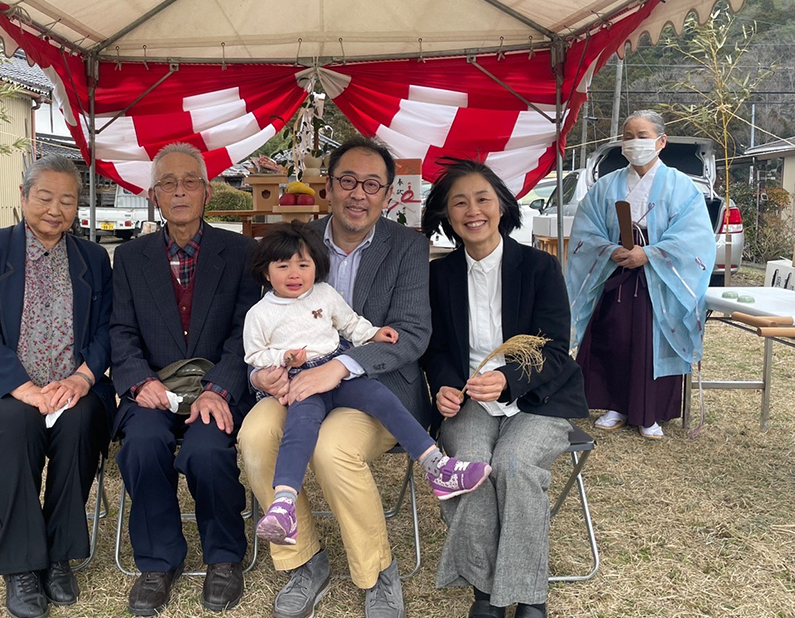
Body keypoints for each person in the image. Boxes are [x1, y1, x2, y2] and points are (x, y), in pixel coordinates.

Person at [238, 137, 432, 618]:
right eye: (348, 180)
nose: (358, 194)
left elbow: (411, 333)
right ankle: (304, 559)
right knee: (256, 436)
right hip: (296, 382)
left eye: (372, 184)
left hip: (375, 388)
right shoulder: (293, 242)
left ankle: (376, 571)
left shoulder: (408, 246)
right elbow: (263, 325)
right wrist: (262, 377)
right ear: (329, 185)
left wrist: (339, 366)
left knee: (333, 448)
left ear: (388, 193)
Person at [0, 154, 115, 618]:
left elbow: (106, 332)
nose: (55, 209)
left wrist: (81, 377)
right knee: (17, 423)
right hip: (0, 389)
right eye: (44, 197)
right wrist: (24, 388)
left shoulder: (94, 259)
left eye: (67, 200)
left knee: (81, 420)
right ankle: (22, 566)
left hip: (72, 386)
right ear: (22, 197)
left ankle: (58, 556)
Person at [245, 222, 491, 546]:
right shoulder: (260, 313)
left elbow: (348, 322)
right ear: (266, 272)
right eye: (283, 265)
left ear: (316, 267)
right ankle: (284, 504)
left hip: (337, 368)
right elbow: (255, 354)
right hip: (301, 381)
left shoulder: (323, 293)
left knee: (381, 396)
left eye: (303, 265)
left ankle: (438, 467)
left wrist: (372, 333)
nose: (295, 273)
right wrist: (282, 357)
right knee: (299, 428)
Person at [421, 159, 588, 618]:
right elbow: (434, 350)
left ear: (502, 207)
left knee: (513, 465)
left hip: (539, 397)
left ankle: (529, 595)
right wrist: (445, 386)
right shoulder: (440, 275)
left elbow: (555, 348)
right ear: (447, 216)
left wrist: (509, 379)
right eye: (459, 202)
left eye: (482, 199)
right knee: (471, 466)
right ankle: (485, 588)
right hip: (470, 400)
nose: (472, 210)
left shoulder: (539, 267)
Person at [109, 142, 261, 616]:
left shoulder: (240, 252)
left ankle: (223, 556)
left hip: (217, 387)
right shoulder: (130, 258)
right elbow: (120, 329)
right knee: (142, 447)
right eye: (168, 183)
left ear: (207, 191)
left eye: (189, 181)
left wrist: (219, 388)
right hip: (152, 388)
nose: (179, 191)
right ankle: (158, 561)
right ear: (154, 195)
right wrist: (138, 381)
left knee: (207, 450)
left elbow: (247, 329)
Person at [566, 110, 716, 440]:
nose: (635, 143)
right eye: (628, 136)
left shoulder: (682, 186)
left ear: (661, 142)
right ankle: (614, 404)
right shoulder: (606, 186)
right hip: (616, 268)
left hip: (660, 276)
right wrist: (609, 250)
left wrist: (648, 253)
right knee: (614, 336)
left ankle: (651, 413)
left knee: (652, 339)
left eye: (643, 135)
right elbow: (585, 230)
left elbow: (695, 237)